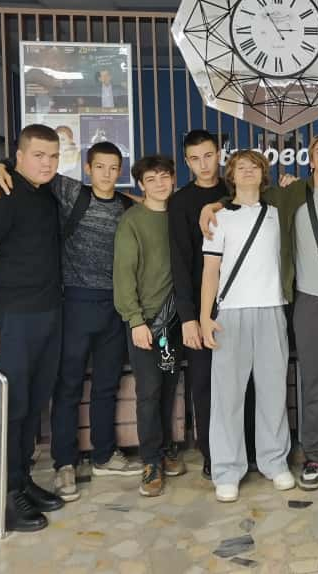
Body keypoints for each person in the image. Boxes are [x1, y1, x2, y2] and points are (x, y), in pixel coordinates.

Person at [200, 134, 318, 491]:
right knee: (314, 383)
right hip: (308, 302)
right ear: (310, 161)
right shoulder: (291, 194)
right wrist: (213, 205)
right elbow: (246, 197)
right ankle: (314, 455)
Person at [0, 141, 142, 503]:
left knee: (106, 385)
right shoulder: (71, 192)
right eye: (99, 167)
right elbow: (24, 167)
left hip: (114, 306)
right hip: (74, 304)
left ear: (119, 171)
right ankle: (64, 464)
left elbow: (149, 204)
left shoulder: (125, 206)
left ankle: (104, 455)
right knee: (67, 386)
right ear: (87, 168)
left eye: (113, 168)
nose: (106, 174)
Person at [0, 124, 65, 532]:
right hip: (10, 319)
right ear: (19, 157)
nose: (47, 163)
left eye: (53, 156)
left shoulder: (45, 193)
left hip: (46, 314)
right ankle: (4, 495)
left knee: (31, 405)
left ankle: (20, 481)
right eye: (38, 155)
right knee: (8, 406)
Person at [199, 150, 295, 502]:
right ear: (231, 175)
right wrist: (205, 317)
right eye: (241, 167)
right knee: (227, 396)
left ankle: (274, 462)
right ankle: (227, 470)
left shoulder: (277, 213)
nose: (249, 171)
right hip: (230, 313)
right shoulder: (219, 217)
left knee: (273, 392)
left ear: (263, 173)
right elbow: (210, 271)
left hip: (272, 308)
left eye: (255, 166)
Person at [169, 130, 256, 479]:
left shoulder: (235, 191)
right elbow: (179, 263)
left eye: (208, 155)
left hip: (242, 301)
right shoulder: (181, 202)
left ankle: (248, 449)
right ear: (186, 162)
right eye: (195, 159)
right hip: (202, 306)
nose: (203, 164)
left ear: (219, 154)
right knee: (205, 385)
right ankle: (212, 452)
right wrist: (188, 318)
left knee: (245, 381)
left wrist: (219, 203)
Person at [114, 155, 185, 498]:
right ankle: (151, 460)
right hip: (146, 323)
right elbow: (123, 274)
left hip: (175, 323)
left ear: (173, 179)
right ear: (141, 185)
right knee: (149, 391)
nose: (159, 184)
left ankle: (167, 447)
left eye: (164, 177)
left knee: (169, 387)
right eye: (151, 179)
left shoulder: (179, 215)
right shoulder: (132, 221)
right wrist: (135, 320)